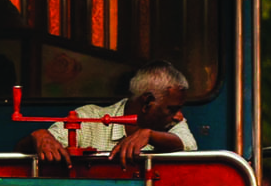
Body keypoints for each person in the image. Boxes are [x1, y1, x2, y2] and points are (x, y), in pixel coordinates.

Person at [17, 60, 196, 166]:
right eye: (172, 109)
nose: (178, 115)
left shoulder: (174, 123)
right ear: (147, 101)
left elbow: (188, 145)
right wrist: (39, 136)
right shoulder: (88, 118)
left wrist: (149, 135)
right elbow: (48, 144)